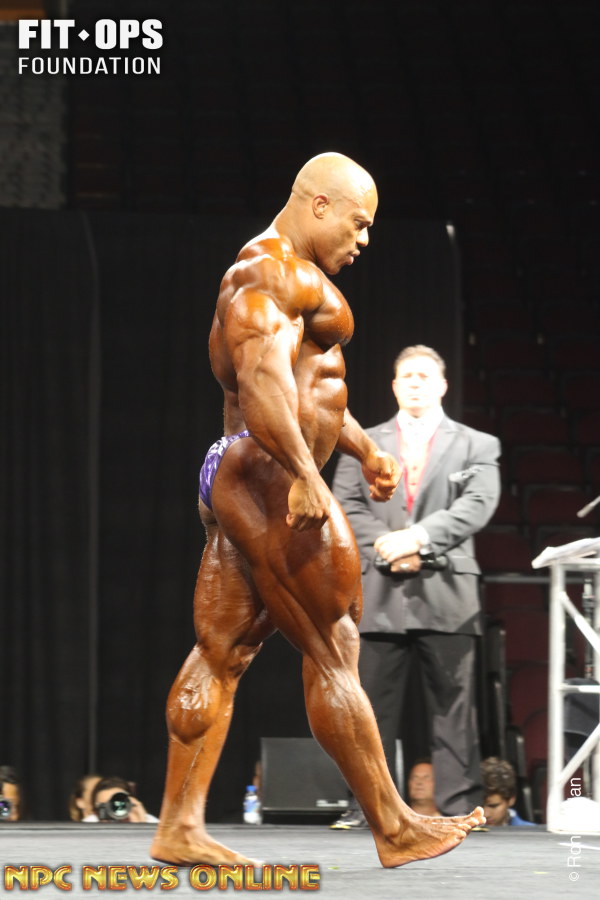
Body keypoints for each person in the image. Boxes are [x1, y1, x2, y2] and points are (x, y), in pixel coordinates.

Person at [150, 152, 484, 869]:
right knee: (335, 643)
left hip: (246, 470)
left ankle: (178, 826)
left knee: (222, 652)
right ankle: (394, 825)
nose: (364, 240)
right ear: (319, 205)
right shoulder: (267, 271)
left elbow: (309, 388)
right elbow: (262, 378)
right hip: (270, 475)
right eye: (358, 224)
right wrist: (306, 472)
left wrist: (363, 449)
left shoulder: (288, 275)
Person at [331, 345, 501, 826]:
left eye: (425, 376)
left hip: (447, 590)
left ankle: (458, 809)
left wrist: (419, 539)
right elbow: (345, 504)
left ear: (442, 385)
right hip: (379, 590)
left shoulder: (477, 444)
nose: (415, 383)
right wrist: (388, 545)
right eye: (407, 376)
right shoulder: (365, 442)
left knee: (454, 707)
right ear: (394, 386)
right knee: (369, 706)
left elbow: (478, 503)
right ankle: (367, 805)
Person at [481, 757, 535, 826]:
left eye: (493, 806)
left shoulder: (531, 831)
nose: (485, 814)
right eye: (479, 806)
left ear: (511, 799)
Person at [83, 776, 159, 823]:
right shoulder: (87, 827)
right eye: (105, 806)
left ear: (130, 804)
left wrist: (141, 828)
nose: (113, 811)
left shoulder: (153, 825)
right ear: (95, 813)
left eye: (118, 803)